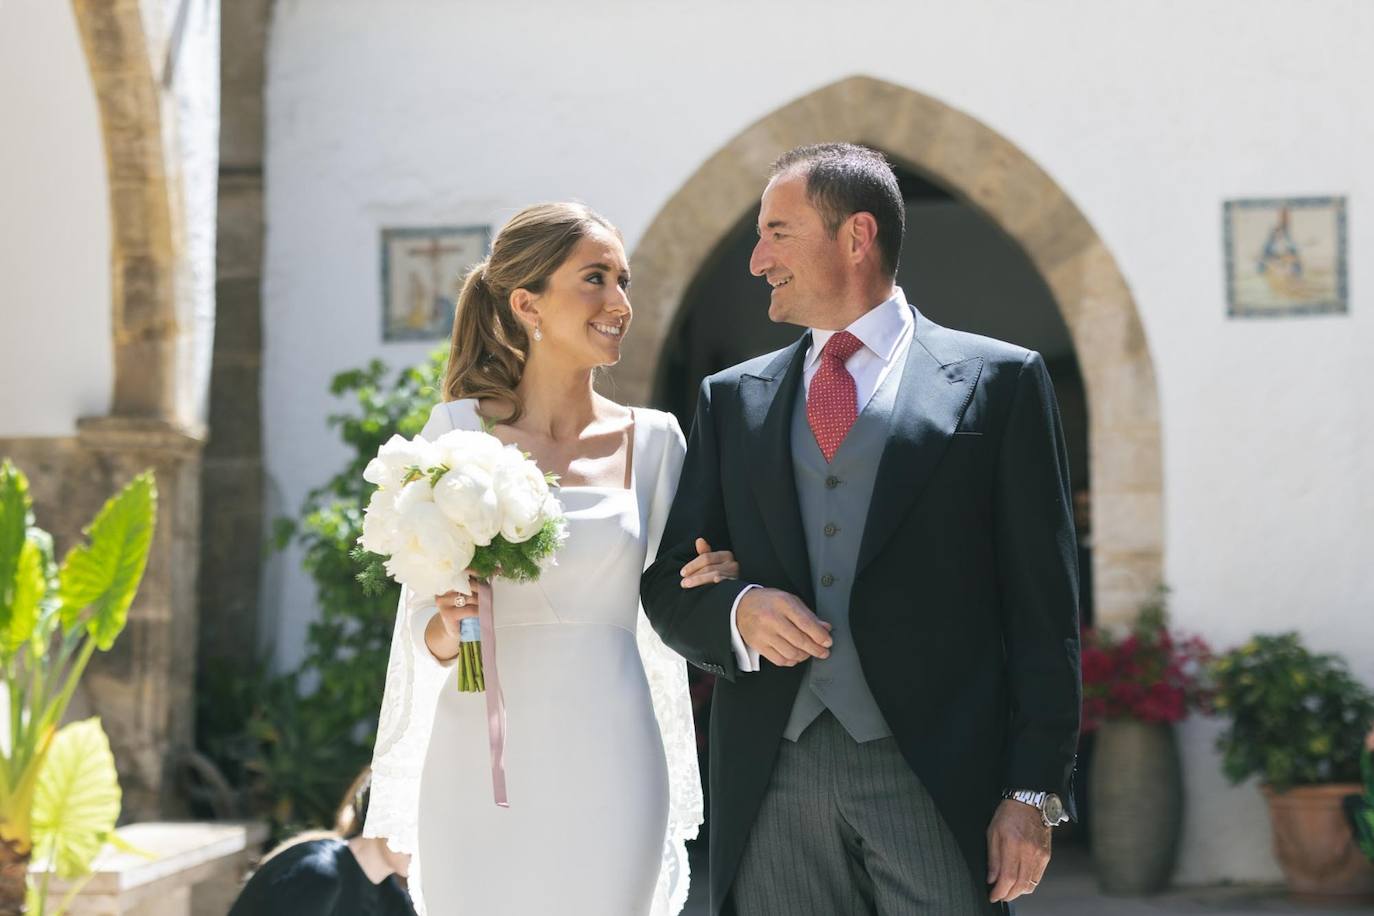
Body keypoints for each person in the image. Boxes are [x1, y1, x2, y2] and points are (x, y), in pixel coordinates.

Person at [641, 143, 1082, 915]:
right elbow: (671, 584)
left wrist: (1033, 791)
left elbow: (1045, 612)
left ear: (856, 237)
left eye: (777, 231)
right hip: (774, 776)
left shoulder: (1000, 382)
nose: (755, 259)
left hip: (933, 775)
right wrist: (738, 610)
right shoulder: (731, 400)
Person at [364, 202, 736, 915]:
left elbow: (683, 602)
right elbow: (426, 630)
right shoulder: (456, 435)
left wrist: (718, 579)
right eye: (595, 279)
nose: (619, 303)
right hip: (477, 754)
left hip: (615, 750)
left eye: (623, 281)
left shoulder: (655, 442)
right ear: (527, 303)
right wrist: (450, 618)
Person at [228, 769, 414, 915]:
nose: (420, 841)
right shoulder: (318, 874)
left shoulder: (390, 899)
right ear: (383, 810)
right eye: (416, 822)